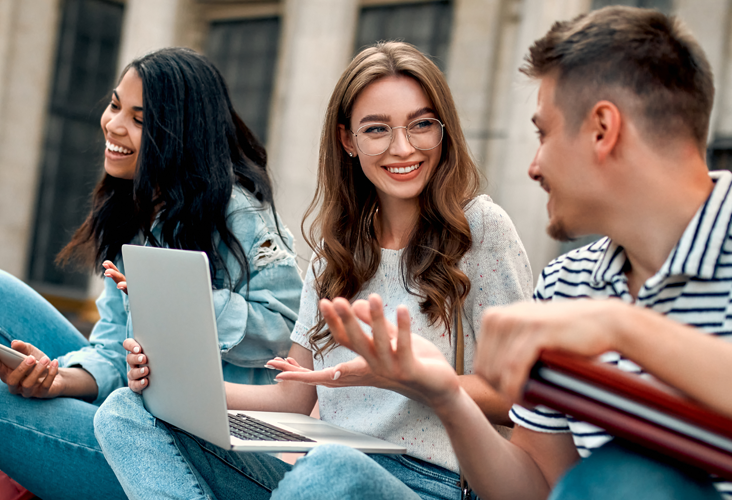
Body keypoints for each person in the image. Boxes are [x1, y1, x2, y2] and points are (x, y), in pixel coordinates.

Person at [312, 7, 732, 500]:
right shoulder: (567, 283)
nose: (533, 165)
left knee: (627, 477)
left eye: (544, 133)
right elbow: (539, 489)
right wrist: (441, 391)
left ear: (603, 130)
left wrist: (625, 328)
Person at [94, 41, 534, 500]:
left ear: (444, 130)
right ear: (348, 140)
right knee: (126, 411)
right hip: (319, 473)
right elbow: (295, 398)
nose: (403, 147)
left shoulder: (479, 228)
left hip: (430, 483)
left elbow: (521, 400)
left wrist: (409, 380)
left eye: (421, 124)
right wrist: (174, 380)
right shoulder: (336, 249)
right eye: (377, 129)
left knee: (333, 467)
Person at [0, 47, 302, 500]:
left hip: (192, 453)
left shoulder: (237, 212)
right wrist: (60, 379)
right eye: (115, 104)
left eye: (140, 120)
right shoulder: (136, 210)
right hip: (134, 403)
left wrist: (178, 301)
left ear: (180, 135)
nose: (113, 124)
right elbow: (112, 350)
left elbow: (286, 330)